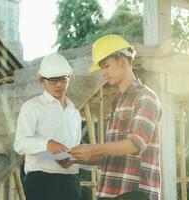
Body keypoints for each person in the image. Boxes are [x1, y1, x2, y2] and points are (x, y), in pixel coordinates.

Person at [64, 35, 162, 200]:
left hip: (134, 194)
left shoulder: (145, 97)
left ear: (122, 62)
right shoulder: (117, 102)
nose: (103, 73)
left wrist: (93, 148)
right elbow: (113, 155)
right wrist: (78, 159)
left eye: (106, 66)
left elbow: (135, 144)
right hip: (110, 193)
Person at [13, 53, 81, 200]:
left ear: (69, 77)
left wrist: (71, 159)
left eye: (63, 79)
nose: (59, 85)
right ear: (41, 80)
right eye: (53, 80)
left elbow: (75, 147)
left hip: (69, 183)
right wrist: (46, 144)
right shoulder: (32, 107)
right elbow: (20, 144)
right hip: (41, 183)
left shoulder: (74, 112)